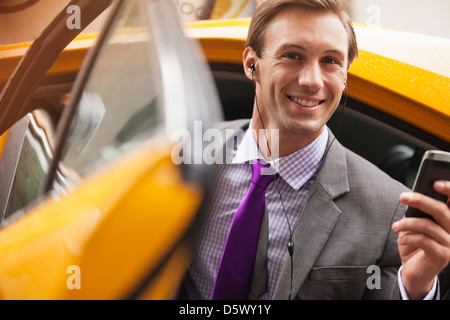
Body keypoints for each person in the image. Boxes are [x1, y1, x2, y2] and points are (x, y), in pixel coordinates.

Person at [181, 0, 450, 300]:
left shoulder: (391, 212)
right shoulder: (185, 153)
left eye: (331, 61)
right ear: (251, 64)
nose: (312, 81)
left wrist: (415, 288)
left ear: (346, 74)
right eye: (293, 55)